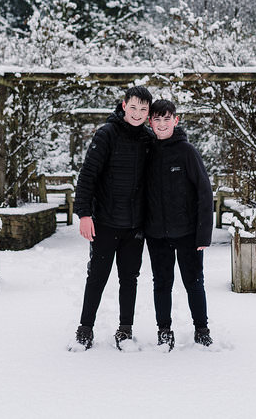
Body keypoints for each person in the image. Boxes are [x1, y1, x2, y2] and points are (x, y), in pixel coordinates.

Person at [70, 85, 154, 351]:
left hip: (135, 226)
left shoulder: (148, 139)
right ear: (123, 105)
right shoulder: (106, 134)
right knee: (97, 277)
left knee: (129, 279)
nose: (138, 113)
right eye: (134, 107)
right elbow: (88, 175)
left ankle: (125, 330)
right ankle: (85, 330)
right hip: (105, 222)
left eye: (143, 109)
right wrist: (84, 214)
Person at [144, 98, 214, 349]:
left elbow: (205, 193)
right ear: (150, 121)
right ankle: (164, 329)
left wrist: (203, 234)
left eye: (167, 119)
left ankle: (202, 329)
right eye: (157, 119)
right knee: (162, 283)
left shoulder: (187, 152)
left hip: (187, 233)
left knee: (194, 282)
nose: (162, 124)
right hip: (156, 234)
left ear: (176, 120)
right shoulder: (147, 151)